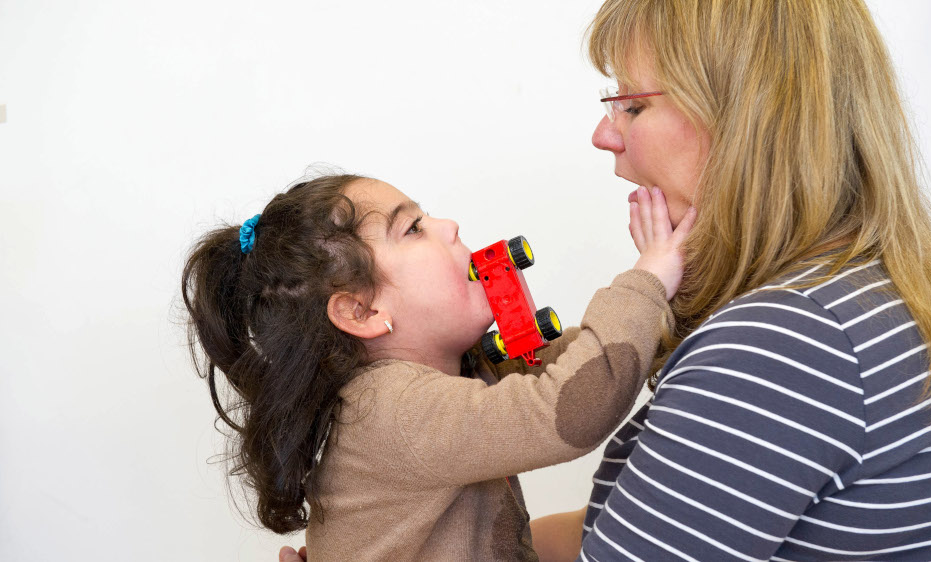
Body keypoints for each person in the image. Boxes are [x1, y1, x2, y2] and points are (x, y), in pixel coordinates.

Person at [282, 0, 931, 559]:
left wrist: (643, 288)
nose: (604, 133)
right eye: (411, 229)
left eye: (633, 104)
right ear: (359, 310)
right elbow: (615, 533)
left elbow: (567, 417)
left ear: (745, 119)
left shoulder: (785, 343)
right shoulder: (852, 305)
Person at [183, 174, 695, 561]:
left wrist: (676, 317)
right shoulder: (393, 410)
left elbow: (569, 365)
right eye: (414, 228)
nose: (450, 227)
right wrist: (647, 281)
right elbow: (571, 406)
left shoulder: (448, 380)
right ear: (362, 312)